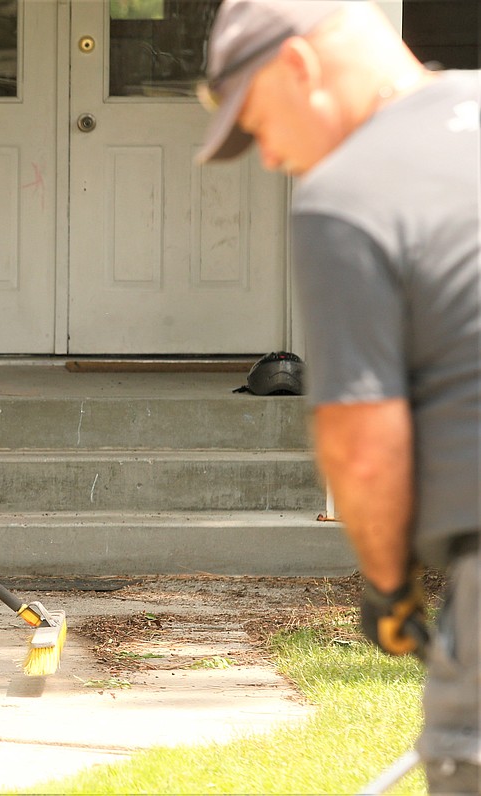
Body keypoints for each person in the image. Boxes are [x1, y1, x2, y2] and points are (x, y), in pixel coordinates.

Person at [197, 1, 479, 792]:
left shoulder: (351, 191)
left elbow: (363, 433)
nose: (272, 157)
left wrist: (389, 585)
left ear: (299, 68)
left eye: (259, 124)